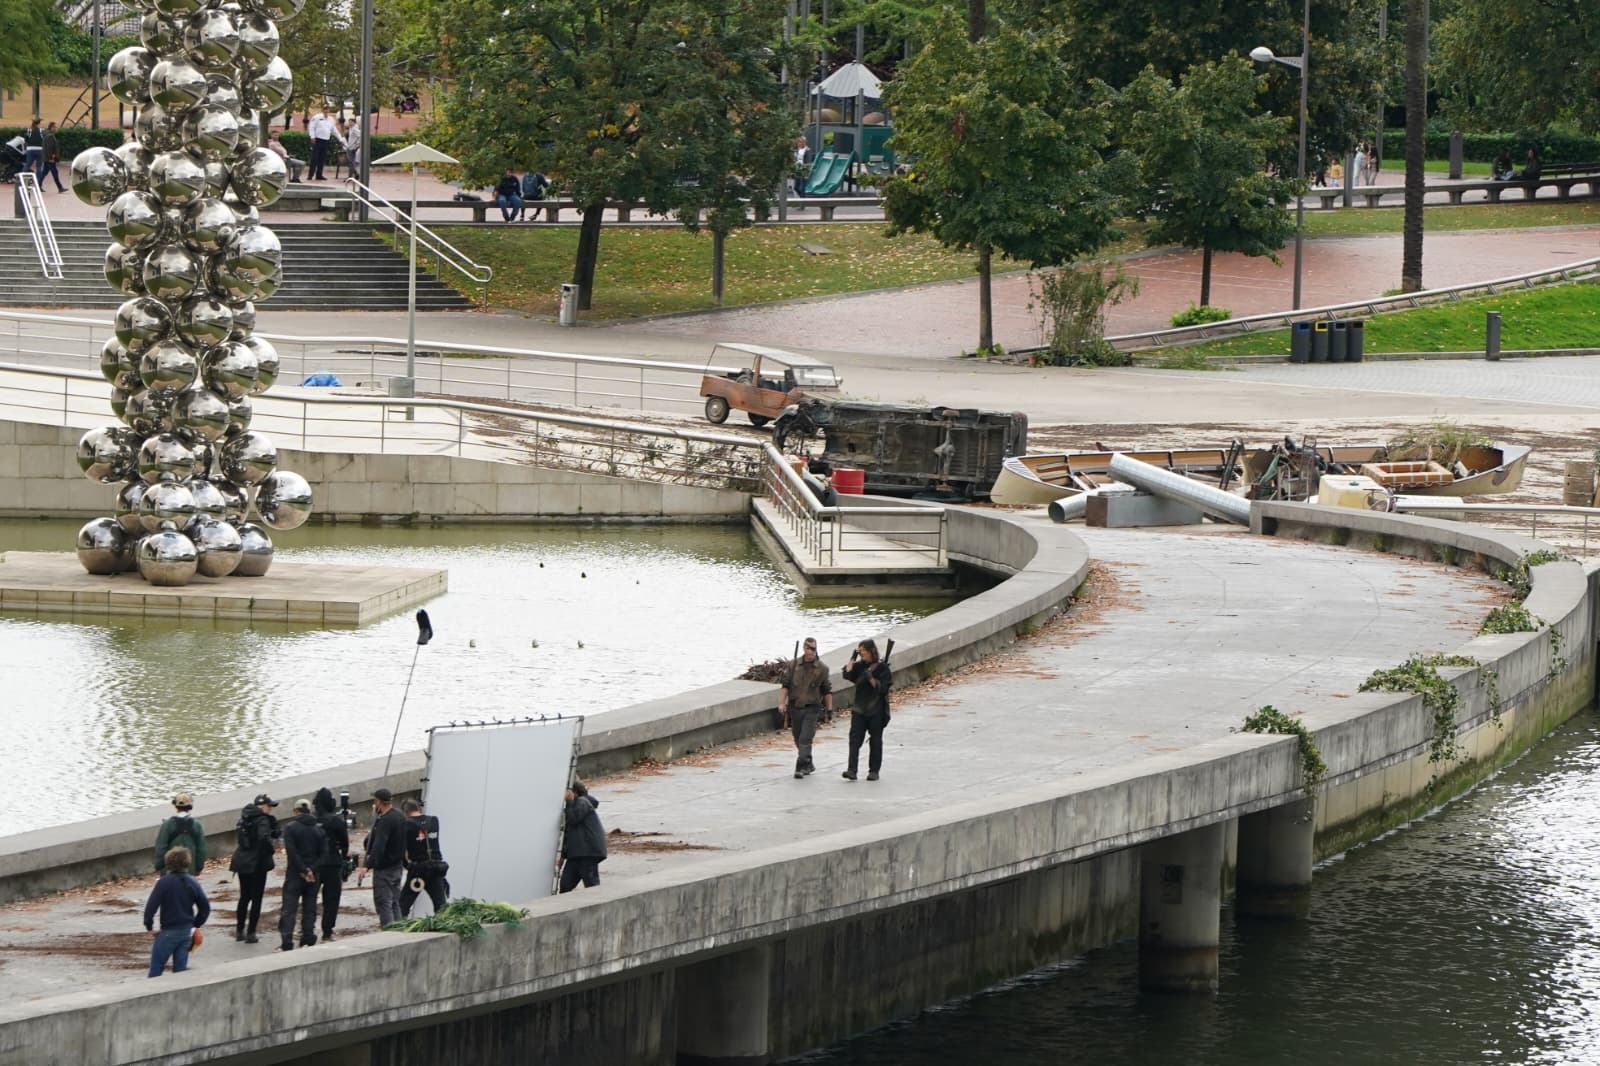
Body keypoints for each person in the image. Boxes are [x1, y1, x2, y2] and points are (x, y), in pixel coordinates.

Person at [143, 846, 210, 978]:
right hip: (186, 932)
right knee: (180, 973)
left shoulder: (163, 883)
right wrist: (195, 925)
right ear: (187, 862)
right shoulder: (192, 882)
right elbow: (205, 907)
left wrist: (149, 926)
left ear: (168, 863)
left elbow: (151, 907)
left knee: (156, 971)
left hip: (168, 931)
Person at [778, 636, 833, 779]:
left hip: (812, 708)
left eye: (814, 649)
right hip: (795, 707)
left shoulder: (822, 668)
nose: (812, 652)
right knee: (797, 737)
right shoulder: (793, 665)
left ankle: (800, 766)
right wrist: (782, 703)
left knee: (805, 739)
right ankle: (808, 762)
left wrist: (829, 710)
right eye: (809, 648)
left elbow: (827, 690)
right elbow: (785, 686)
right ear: (804, 648)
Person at [228, 793, 279, 943]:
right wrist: (270, 850)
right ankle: (251, 933)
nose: (270, 810)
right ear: (263, 807)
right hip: (257, 864)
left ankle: (239, 930)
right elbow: (263, 839)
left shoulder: (245, 817)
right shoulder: (263, 820)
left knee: (244, 896)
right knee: (256, 898)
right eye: (269, 807)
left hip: (241, 861)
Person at [841, 639, 892, 782]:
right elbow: (847, 674)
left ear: (871, 651)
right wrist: (853, 657)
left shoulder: (882, 669)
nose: (861, 653)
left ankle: (874, 771)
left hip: (876, 710)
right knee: (854, 740)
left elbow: (882, 689)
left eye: (862, 650)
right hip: (859, 709)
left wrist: (871, 678)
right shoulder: (859, 666)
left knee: (875, 741)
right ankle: (852, 770)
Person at [278, 798, 325, 950]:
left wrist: (303, 870)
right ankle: (308, 937)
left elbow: (292, 853)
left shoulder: (290, 828)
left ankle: (287, 941)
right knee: (310, 908)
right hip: (314, 875)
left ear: (296, 811)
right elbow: (324, 854)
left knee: (289, 909)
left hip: (295, 874)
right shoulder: (319, 829)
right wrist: (312, 870)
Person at [361, 787, 407, 928]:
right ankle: (400, 929)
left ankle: (388, 932)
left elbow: (378, 846)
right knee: (395, 901)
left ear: (379, 802)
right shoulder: (400, 816)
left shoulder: (384, 821)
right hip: (397, 866)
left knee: (384, 902)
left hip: (384, 869)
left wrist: (367, 866)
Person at [398, 799, 449, 916]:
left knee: (403, 905)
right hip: (436, 868)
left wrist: (408, 866)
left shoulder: (406, 825)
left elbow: (401, 849)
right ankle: (443, 929)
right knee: (441, 906)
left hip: (418, 871)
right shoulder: (434, 821)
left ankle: (396, 930)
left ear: (405, 812)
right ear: (418, 808)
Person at [312, 787, 351, 941]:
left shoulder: (312, 820)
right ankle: (327, 931)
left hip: (314, 864)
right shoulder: (336, 820)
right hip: (332, 863)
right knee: (331, 899)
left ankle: (307, 927)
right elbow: (344, 843)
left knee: (310, 897)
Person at [559, 781, 606, 893]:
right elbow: (568, 833)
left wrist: (569, 802)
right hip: (577, 853)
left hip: (587, 852)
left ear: (573, 792)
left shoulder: (582, 802)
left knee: (591, 884)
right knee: (565, 885)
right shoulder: (575, 805)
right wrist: (563, 856)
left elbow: (574, 818)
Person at [153, 792, 206, 875]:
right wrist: (199, 867)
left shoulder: (167, 824)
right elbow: (201, 849)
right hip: (190, 869)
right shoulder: (196, 824)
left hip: (169, 870)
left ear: (175, 806)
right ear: (190, 806)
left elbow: (161, 847)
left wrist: (159, 865)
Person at [306, 106, 336, 180]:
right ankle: (310, 175)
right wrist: (312, 136)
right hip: (317, 140)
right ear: (322, 110)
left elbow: (334, 130)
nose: (326, 111)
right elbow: (311, 127)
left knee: (322, 159)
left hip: (325, 140)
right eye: (325, 110)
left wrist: (340, 139)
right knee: (314, 158)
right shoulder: (317, 117)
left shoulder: (331, 119)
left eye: (327, 110)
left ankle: (319, 175)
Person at [38, 122, 65, 192]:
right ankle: (60, 187)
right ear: (52, 128)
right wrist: (51, 158)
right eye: (55, 127)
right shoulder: (50, 136)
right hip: (50, 159)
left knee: (44, 172)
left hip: (47, 158)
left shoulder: (48, 135)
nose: (56, 128)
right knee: (54, 172)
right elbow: (49, 148)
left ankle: (38, 185)